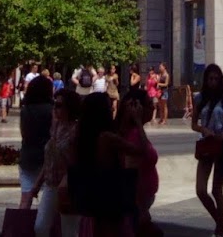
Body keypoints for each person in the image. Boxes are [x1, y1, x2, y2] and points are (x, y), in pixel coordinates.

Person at [191, 63, 223, 237]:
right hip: (206, 143)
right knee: (200, 190)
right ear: (206, 80)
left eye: (216, 78)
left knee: (216, 190)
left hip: (222, 145)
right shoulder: (199, 98)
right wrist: (203, 129)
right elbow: (193, 124)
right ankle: (220, 221)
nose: (213, 81)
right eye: (210, 78)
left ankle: (220, 230)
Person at [70, 92, 130, 237]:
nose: (111, 109)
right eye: (109, 106)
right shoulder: (107, 137)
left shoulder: (80, 135)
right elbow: (140, 149)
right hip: (108, 190)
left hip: (87, 190)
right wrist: (135, 121)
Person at [28, 86, 81, 237]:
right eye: (54, 104)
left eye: (59, 105)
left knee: (69, 232)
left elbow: (77, 160)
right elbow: (49, 159)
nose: (55, 109)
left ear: (69, 107)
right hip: (51, 184)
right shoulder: (55, 128)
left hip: (69, 187)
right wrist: (37, 185)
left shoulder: (76, 130)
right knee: (40, 227)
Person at [118, 86, 160, 236]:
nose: (152, 107)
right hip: (138, 200)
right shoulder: (134, 134)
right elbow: (133, 166)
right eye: (149, 104)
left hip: (142, 199)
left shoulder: (135, 131)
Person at [17, 75, 55, 212]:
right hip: (46, 158)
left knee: (25, 200)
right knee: (48, 201)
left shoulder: (25, 110)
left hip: (27, 156)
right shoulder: (52, 110)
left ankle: (20, 228)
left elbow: (23, 133)